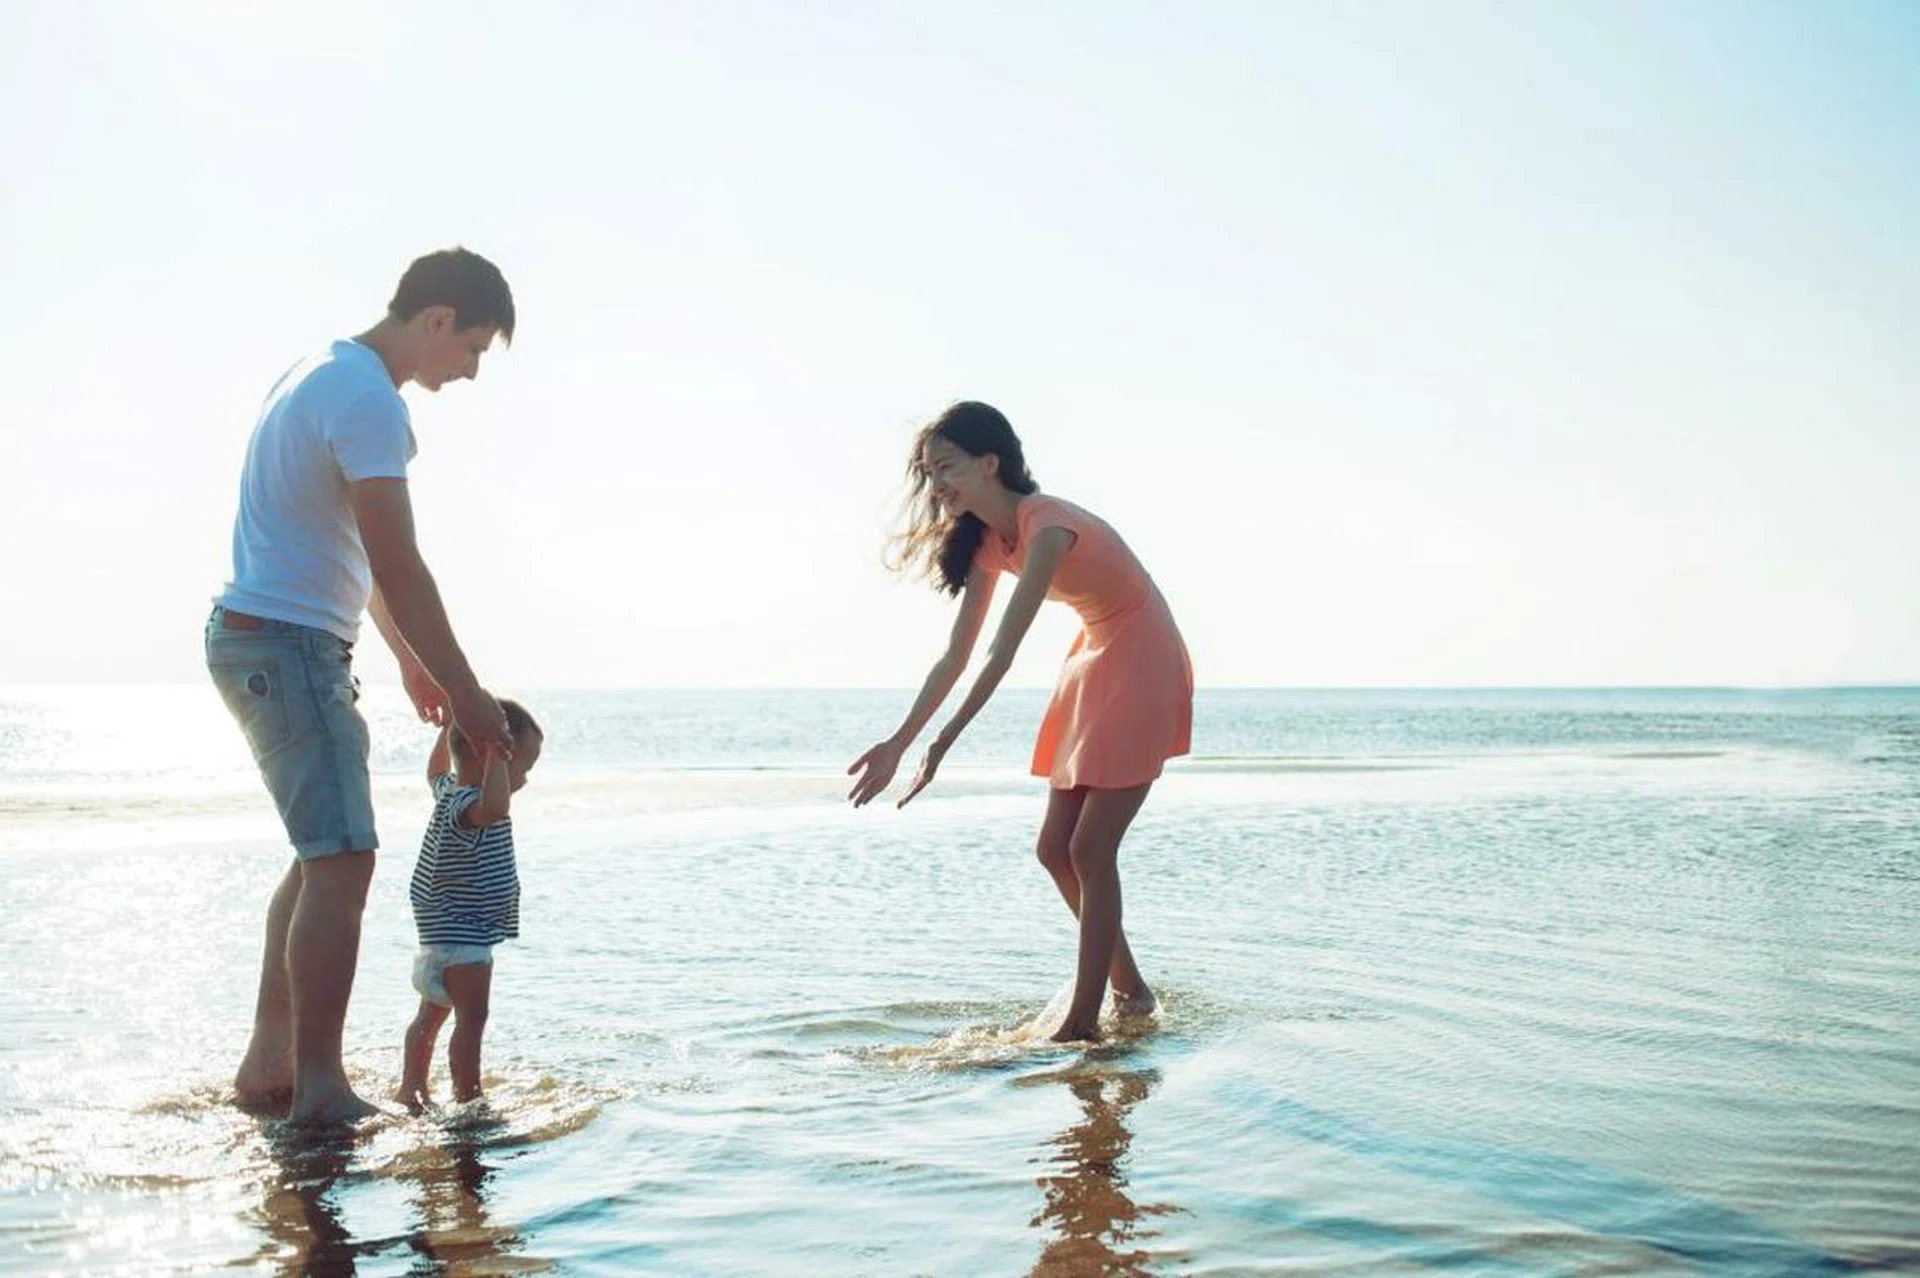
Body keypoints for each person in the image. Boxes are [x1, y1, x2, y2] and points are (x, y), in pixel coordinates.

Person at [206, 247, 517, 1123]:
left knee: (322, 856)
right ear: (438, 319)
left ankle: (272, 1065)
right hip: (289, 643)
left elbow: (353, 556)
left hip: (264, 638)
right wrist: (466, 691)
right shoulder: (369, 399)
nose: (467, 373)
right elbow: (398, 560)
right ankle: (320, 1089)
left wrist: (411, 662)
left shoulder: (319, 372)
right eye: (474, 350)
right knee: (344, 859)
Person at [847, 401, 1194, 1042]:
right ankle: (1133, 993)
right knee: (1053, 850)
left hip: (1142, 650)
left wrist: (943, 745)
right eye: (929, 472)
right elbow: (957, 654)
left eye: (946, 467)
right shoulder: (985, 542)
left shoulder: (1048, 526)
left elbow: (1002, 652)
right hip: (1094, 654)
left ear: (990, 462)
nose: (938, 484)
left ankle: (1084, 1023)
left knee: (1091, 848)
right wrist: (900, 742)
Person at [397, 703, 542, 1112]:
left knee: (429, 1019)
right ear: (487, 756)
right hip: (466, 942)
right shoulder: (473, 808)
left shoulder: (448, 794)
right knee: (471, 1023)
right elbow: (496, 806)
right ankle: (468, 1095)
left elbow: (434, 772)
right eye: (523, 768)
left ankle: (412, 1088)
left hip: (437, 945)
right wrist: (497, 757)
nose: (525, 780)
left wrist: (448, 729)